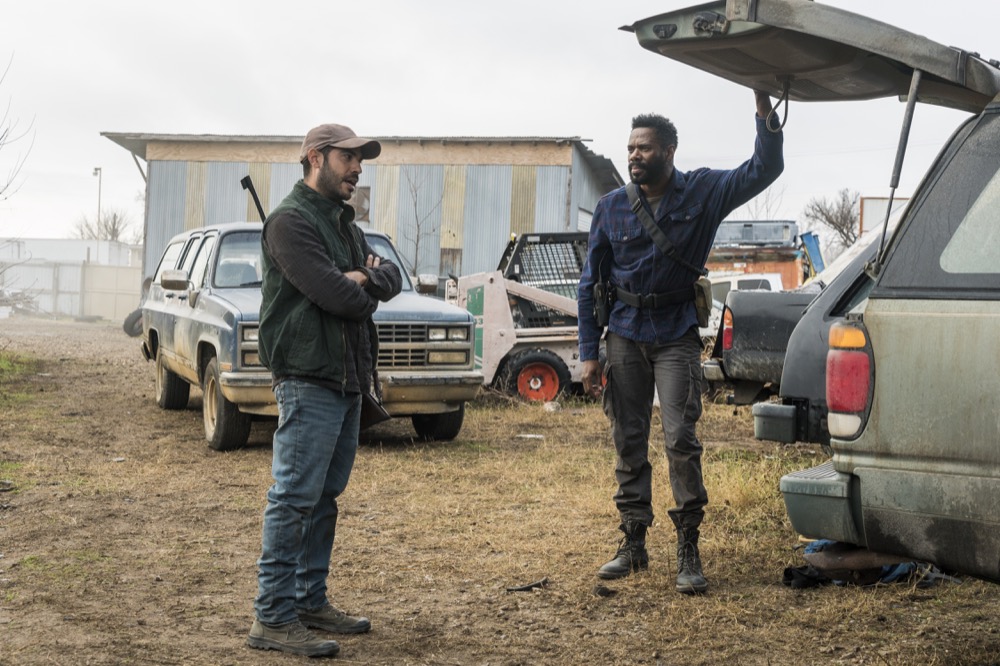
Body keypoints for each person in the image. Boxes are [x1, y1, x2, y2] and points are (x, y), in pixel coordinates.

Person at [577, 91, 783, 595]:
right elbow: (589, 283)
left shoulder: (704, 192)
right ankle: (633, 541)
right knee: (627, 438)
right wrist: (587, 353)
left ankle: (688, 545)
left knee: (681, 441)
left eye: (644, 148)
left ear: (669, 150)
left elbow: (763, 169)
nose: (633, 156)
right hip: (624, 333)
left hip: (675, 335)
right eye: (630, 148)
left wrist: (763, 110)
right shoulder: (610, 208)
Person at [247, 123, 402, 657]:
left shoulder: (344, 224)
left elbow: (392, 279)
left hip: (347, 377)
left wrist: (363, 277)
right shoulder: (291, 222)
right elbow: (341, 297)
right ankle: (272, 616)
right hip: (309, 375)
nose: (357, 168)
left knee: (325, 497)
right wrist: (361, 279)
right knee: (292, 497)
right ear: (315, 158)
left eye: (361, 160)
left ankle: (309, 600)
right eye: (348, 158)